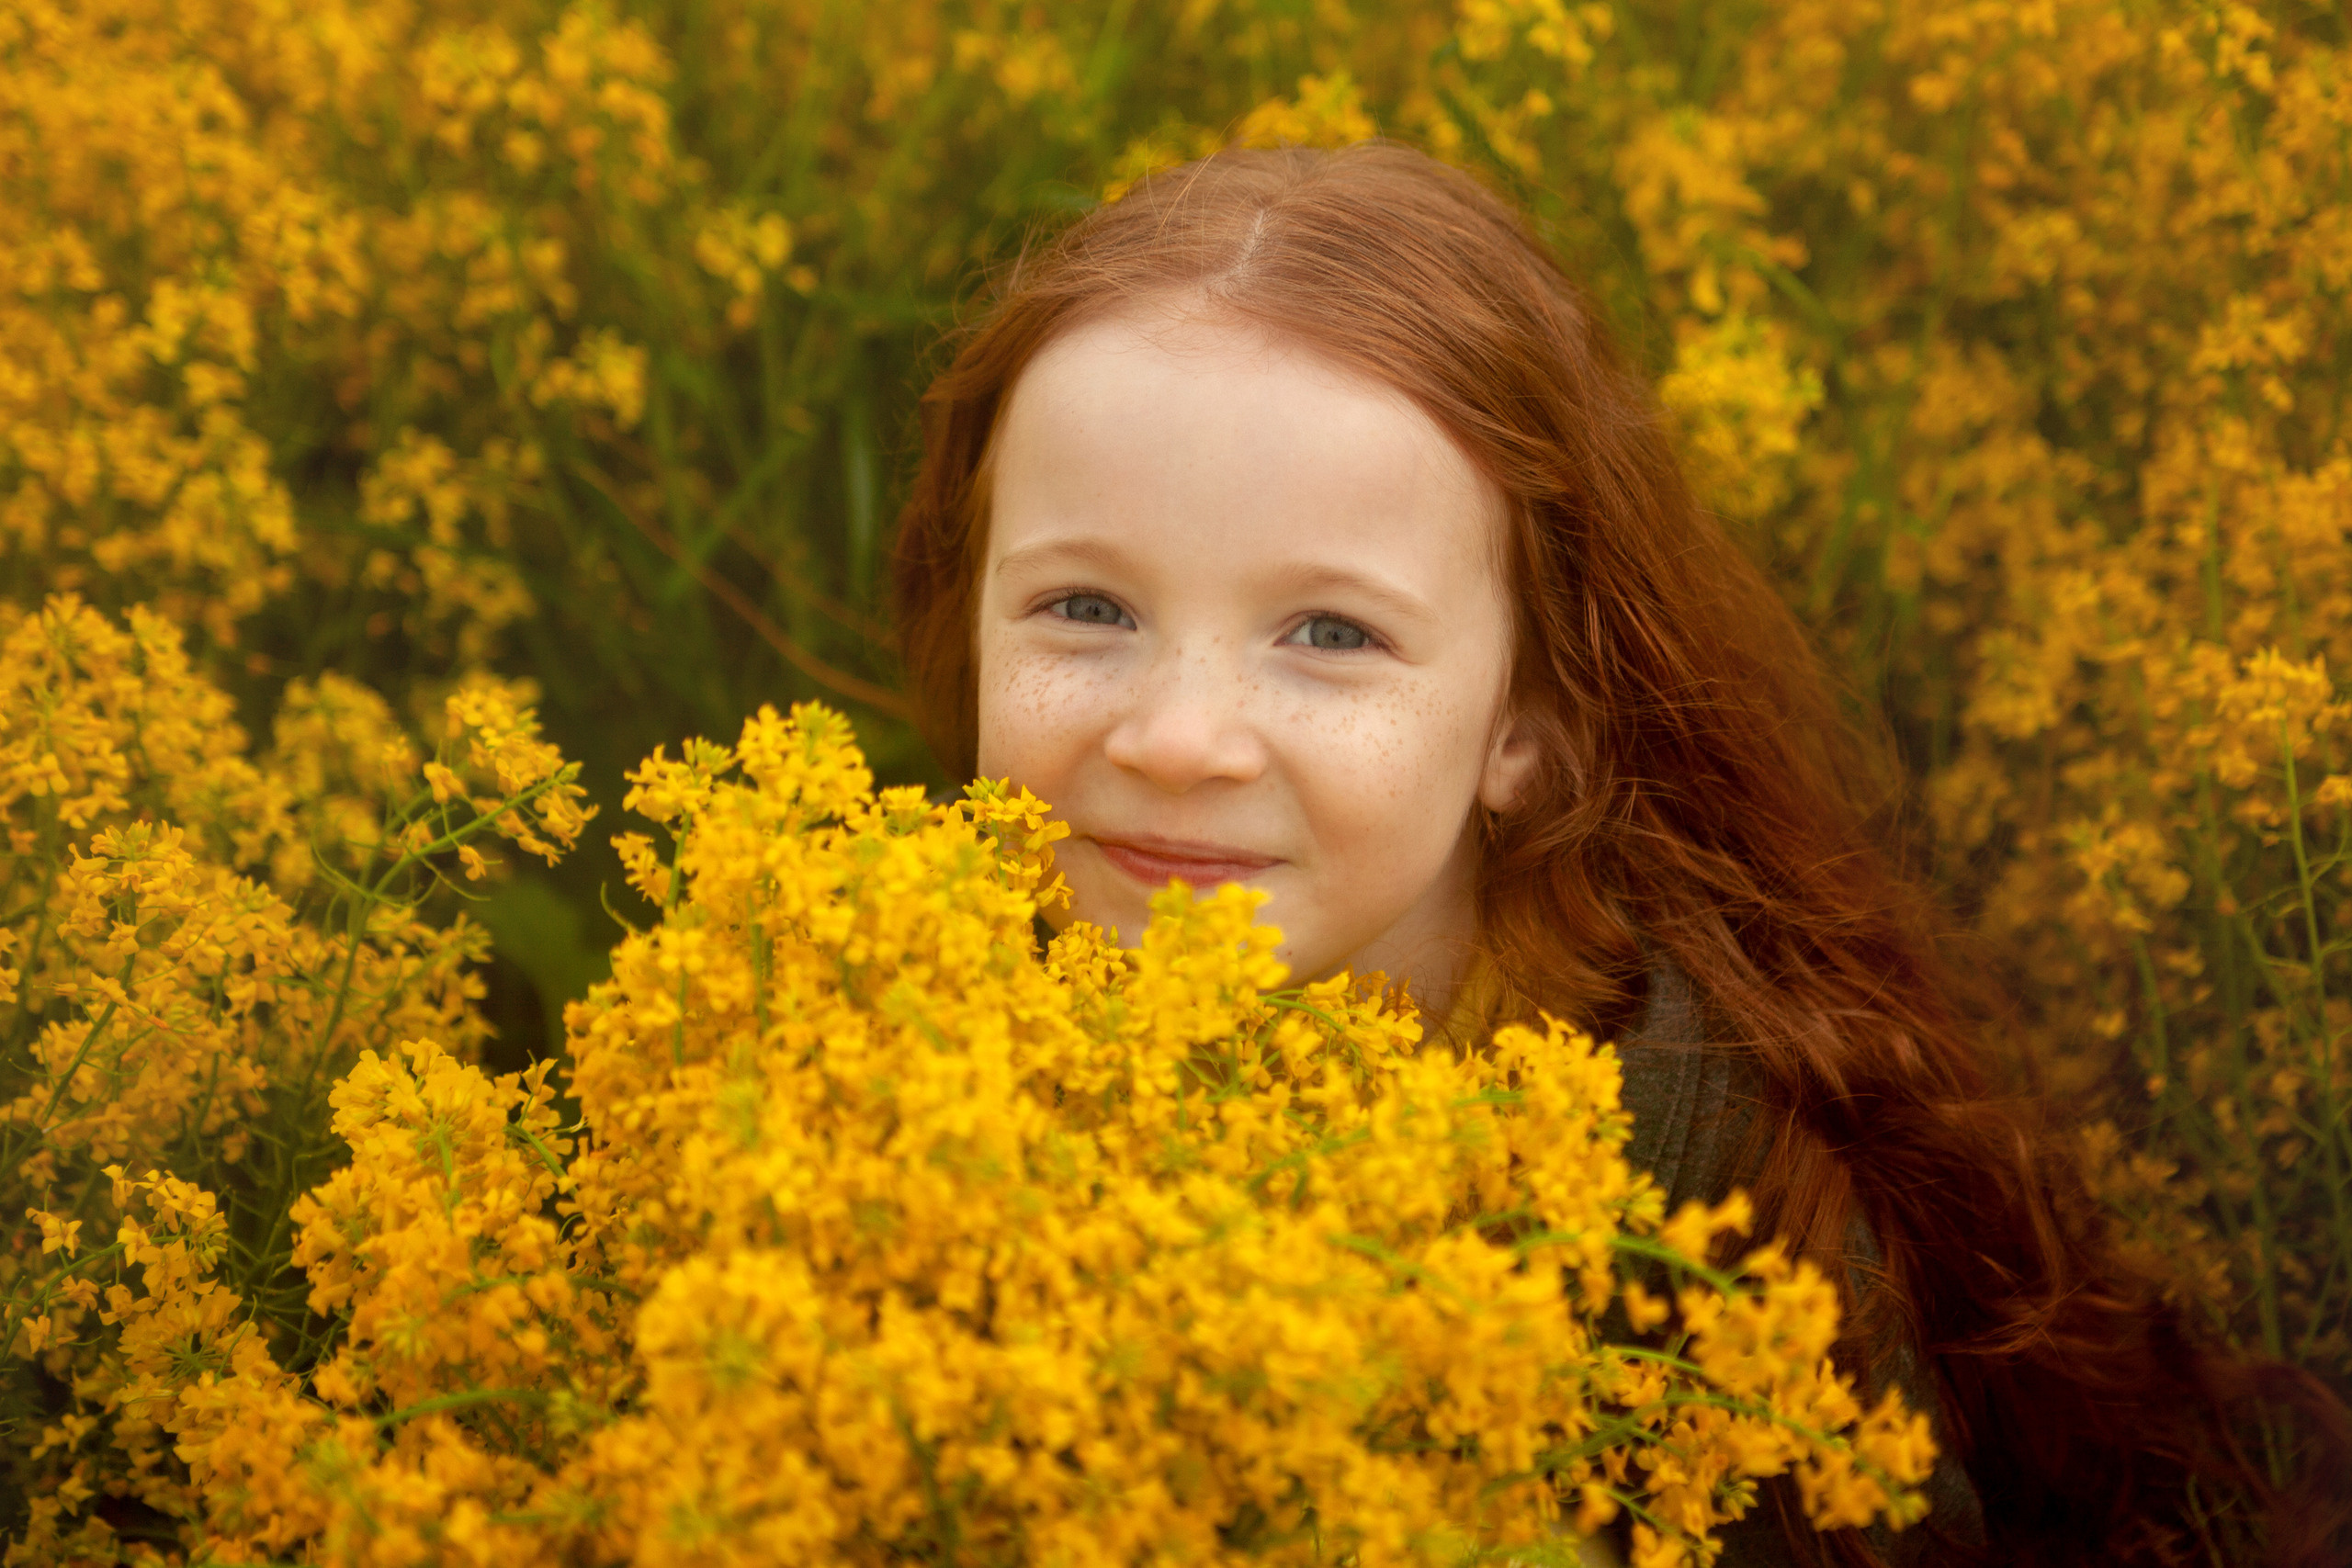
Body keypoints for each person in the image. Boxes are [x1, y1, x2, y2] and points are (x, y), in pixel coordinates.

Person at [890, 141, 2350, 1566]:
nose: (1178, 738)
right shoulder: (891, 1049)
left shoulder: (1697, 1207)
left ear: (1530, 719)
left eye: (1330, 633)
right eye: (1084, 609)